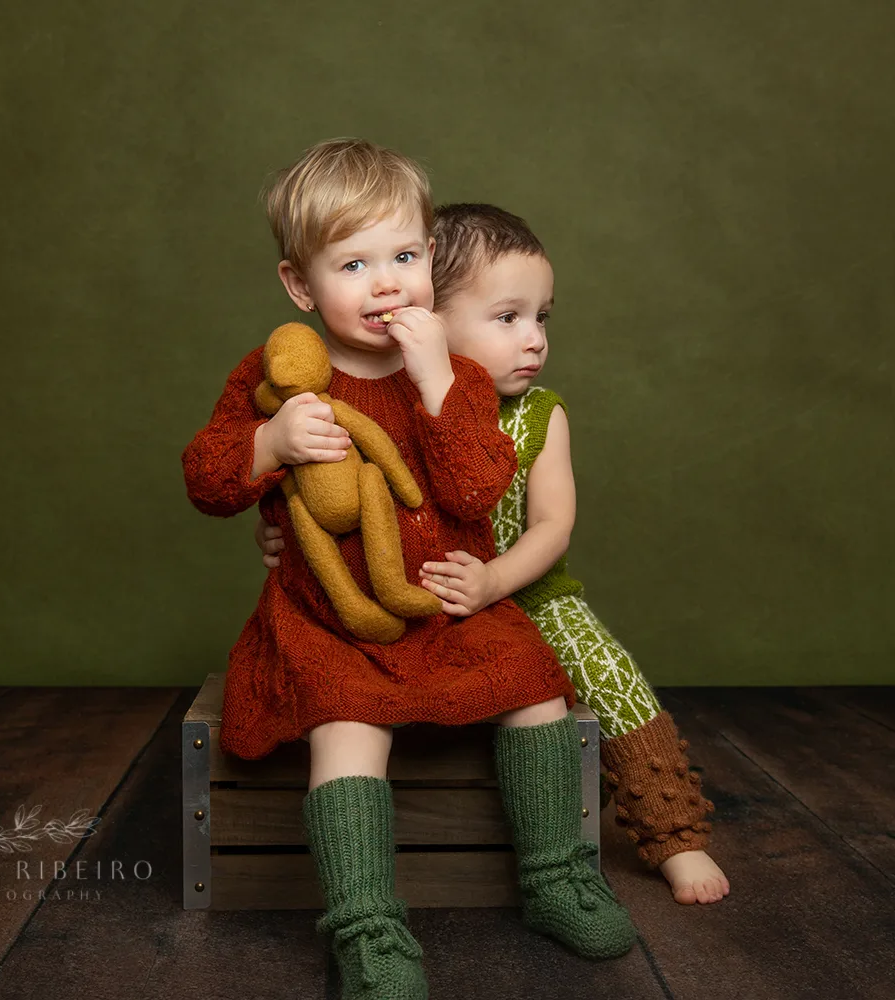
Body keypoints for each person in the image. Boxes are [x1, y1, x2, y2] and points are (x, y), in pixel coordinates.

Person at [182, 140, 636, 1000]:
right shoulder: (275, 377)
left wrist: (433, 385)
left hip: (442, 603)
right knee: (346, 728)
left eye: (404, 256)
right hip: (330, 617)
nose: (387, 282)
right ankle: (367, 927)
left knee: (532, 682)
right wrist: (266, 446)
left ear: (430, 258)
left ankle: (554, 877)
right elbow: (206, 481)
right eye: (354, 264)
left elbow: (477, 488)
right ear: (299, 286)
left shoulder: (457, 372)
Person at [256, 202, 731, 906]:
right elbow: (344, 500)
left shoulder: (542, 415)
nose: (534, 340)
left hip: (528, 592)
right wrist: (279, 532)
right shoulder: (399, 402)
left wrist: (496, 581)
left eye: (542, 318)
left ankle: (675, 834)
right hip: (431, 607)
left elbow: (552, 528)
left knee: (608, 675)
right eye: (508, 318)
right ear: (428, 318)